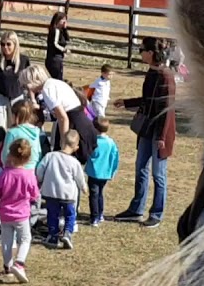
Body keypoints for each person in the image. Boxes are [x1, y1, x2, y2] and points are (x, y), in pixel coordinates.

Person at [113, 36, 178, 229]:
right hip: (147, 129)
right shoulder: (151, 73)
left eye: (142, 49)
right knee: (141, 168)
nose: (140, 53)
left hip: (160, 134)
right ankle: (136, 210)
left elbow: (167, 109)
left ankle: (156, 214)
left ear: (151, 52)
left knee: (158, 175)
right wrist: (126, 103)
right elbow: (147, 100)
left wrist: (160, 138)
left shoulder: (166, 77)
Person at [19, 63, 97, 164]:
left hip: (75, 126)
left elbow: (63, 118)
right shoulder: (54, 83)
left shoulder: (47, 89)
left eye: (26, 85)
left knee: (63, 163)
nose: (27, 88)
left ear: (33, 80)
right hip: (83, 123)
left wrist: (63, 144)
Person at [0, 138, 40, 283]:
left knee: (7, 241)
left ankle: (8, 266)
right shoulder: (29, 175)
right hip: (22, 215)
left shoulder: (5, 174)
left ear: (11, 155)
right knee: (25, 239)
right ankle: (19, 263)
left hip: (5, 214)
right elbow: (35, 195)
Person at [36, 130, 88, 250]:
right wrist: (83, 187)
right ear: (76, 147)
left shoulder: (50, 156)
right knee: (70, 214)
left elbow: (40, 169)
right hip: (68, 195)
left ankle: (53, 235)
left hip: (51, 192)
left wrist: (39, 179)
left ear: (61, 141)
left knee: (52, 214)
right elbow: (79, 177)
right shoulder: (74, 162)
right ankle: (67, 233)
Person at [0, 31, 30, 129]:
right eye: (2, 44)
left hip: (17, 98)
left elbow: (29, 81)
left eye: (8, 44)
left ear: (15, 44)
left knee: (15, 129)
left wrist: (30, 98)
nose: (5, 47)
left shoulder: (24, 60)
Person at [85, 118, 120, 227]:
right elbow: (115, 158)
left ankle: (94, 217)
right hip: (105, 173)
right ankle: (100, 214)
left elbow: (88, 154)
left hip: (93, 173)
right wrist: (113, 171)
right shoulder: (111, 142)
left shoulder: (94, 142)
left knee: (94, 195)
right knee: (100, 194)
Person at [3, 100, 44, 172]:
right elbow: (39, 152)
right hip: (33, 171)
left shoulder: (12, 132)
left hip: (15, 171)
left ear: (16, 116)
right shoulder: (37, 131)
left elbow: (5, 155)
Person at [45, 12, 70, 81]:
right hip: (54, 60)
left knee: (57, 80)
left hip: (56, 59)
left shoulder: (60, 31)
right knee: (58, 80)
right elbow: (55, 44)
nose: (65, 22)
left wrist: (65, 29)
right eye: (63, 20)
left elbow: (67, 39)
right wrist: (64, 50)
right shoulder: (56, 31)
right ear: (57, 20)